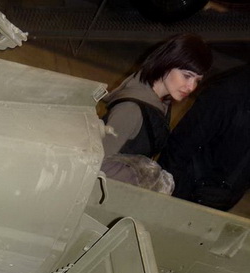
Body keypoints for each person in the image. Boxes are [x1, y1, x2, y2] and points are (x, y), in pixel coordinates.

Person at [102, 34, 213, 161]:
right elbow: (98, 160)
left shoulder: (161, 101)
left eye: (197, 80)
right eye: (187, 76)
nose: (191, 87)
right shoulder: (131, 109)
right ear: (167, 63)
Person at [159, 64, 250, 211]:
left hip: (221, 201)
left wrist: (232, 192)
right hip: (185, 192)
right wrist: (165, 196)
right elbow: (180, 145)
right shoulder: (228, 91)